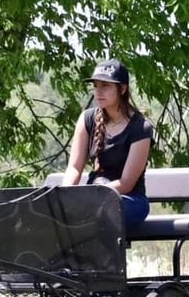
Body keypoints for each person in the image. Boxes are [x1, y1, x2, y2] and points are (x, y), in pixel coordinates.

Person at [62, 58, 154, 229]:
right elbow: (74, 168)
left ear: (123, 89)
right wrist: (64, 196)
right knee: (59, 214)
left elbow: (126, 183)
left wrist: (92, 198)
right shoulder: (87, 119)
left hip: (129, 200)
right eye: (96, 86)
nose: (98, 92)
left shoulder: (140, 127)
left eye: (105, 86)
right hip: (94, 195)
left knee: (100, 211)